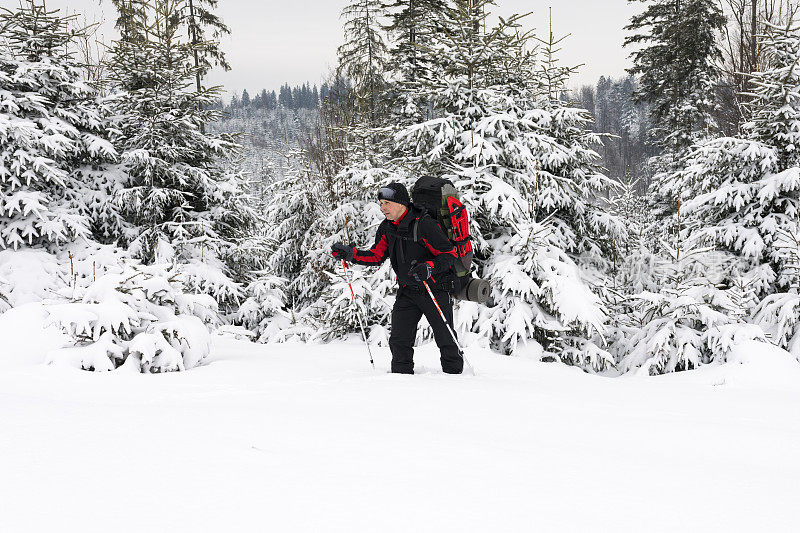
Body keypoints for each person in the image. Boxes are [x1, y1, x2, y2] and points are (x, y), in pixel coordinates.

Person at [331, 182, 463, 374]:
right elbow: (376, 256)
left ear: (401, 203)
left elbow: (449, 254)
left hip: (434, 289)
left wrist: (429, 267)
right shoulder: (387, 228)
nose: (383, 208)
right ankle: (401, 381)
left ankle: (455, 379)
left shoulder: (424, 224)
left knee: (446, 338)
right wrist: (351, 254)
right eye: (381, 203)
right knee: (399, 341)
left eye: (387, 203)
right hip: (407, 291)